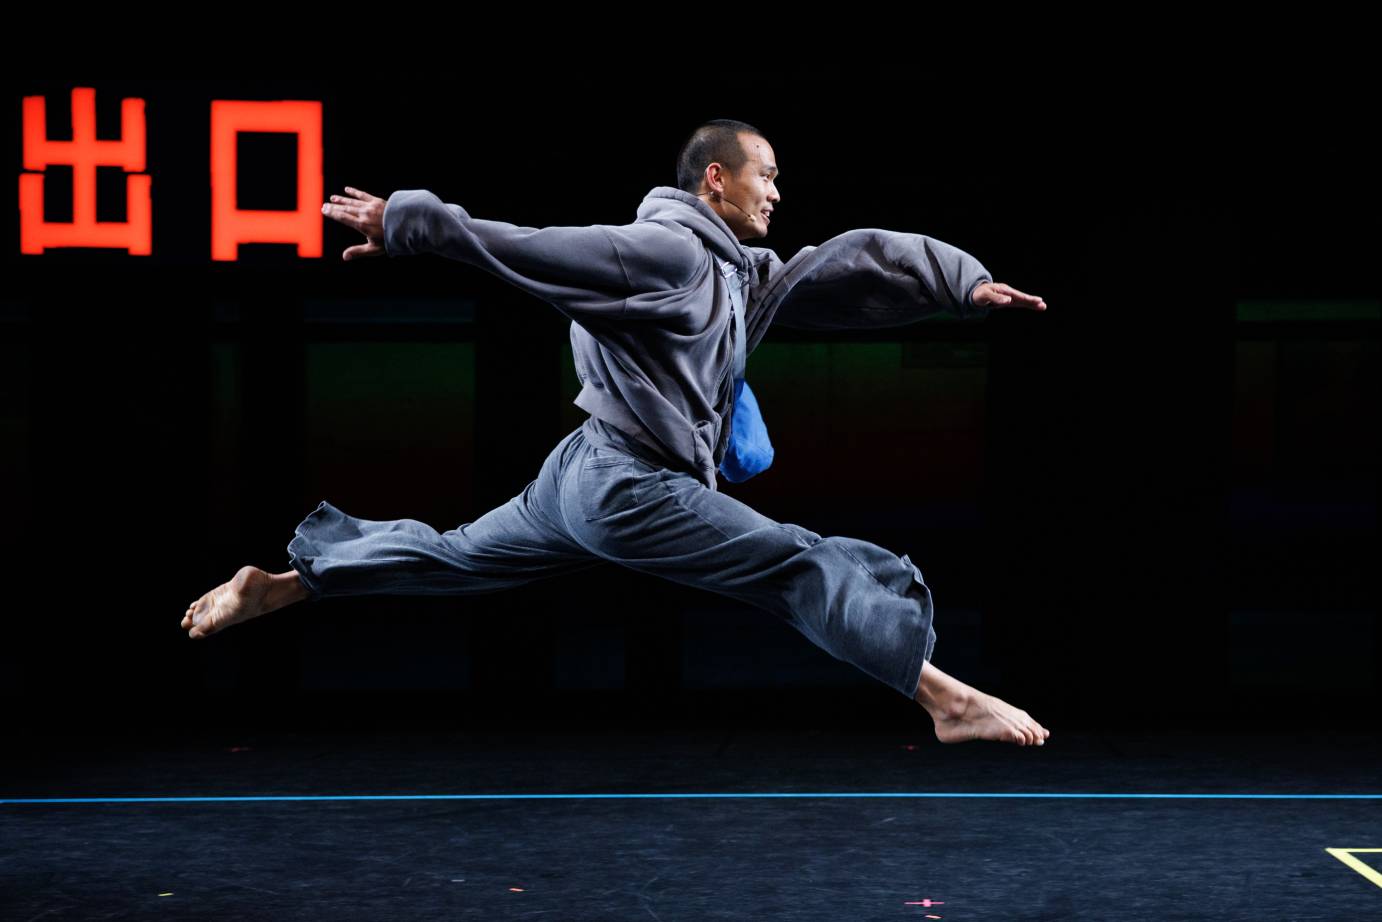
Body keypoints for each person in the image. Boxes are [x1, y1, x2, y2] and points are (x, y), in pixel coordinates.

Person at [182, 120, 1051, 747]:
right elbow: (534, 249)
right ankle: (943, 697)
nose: (779, 192)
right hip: (630, 487)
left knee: (454, 557)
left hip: (579, 477)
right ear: (716, 178)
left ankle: (288, 584)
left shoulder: (732, 268)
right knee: (795, 564)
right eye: (768, 176)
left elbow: (840, 263)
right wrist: (416, 225)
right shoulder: (661, 252)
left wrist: (962, 285)